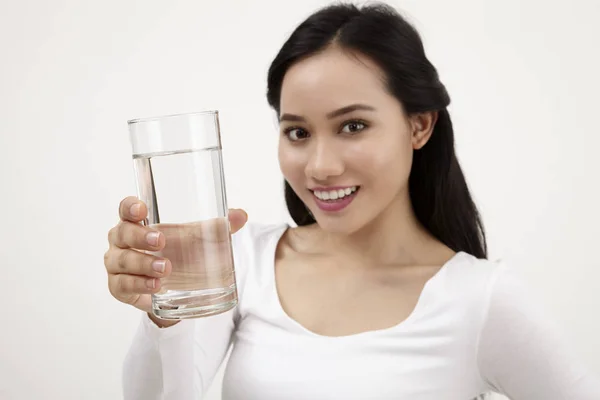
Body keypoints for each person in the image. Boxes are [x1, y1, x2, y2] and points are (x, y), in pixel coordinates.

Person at [104, 2, 600, 399]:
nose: (319, 166)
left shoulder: (481, 300)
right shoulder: (242, 260)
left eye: (353, 126)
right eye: (297, 131)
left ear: (419, 124)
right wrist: (162, 310)